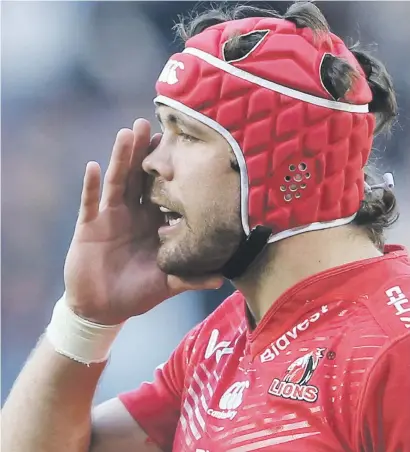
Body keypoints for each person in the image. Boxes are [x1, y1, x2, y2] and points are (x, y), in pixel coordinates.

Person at [3, 2, 410, 452]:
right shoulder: (222, 339)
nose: (153, 161)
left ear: (287, 173)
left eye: (188, 134)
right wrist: (85, 321)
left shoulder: (393, 348)